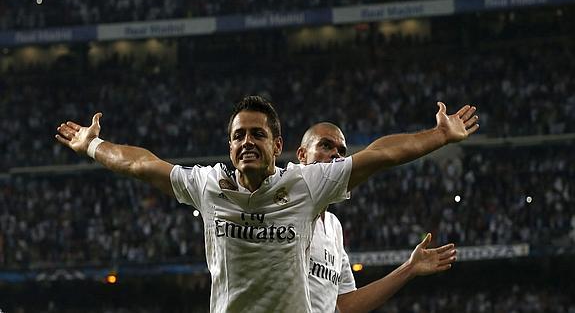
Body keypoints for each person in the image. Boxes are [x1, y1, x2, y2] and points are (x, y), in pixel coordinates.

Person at [55, 96, 478, 312]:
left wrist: (438, 136)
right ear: (229, 145)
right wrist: (93, 145)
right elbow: (141, 164)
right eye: (239, 135)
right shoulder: (209, 185)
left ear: (277, 146)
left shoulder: (305, 187)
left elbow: (379, 155)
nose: (246, 143)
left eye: (257, 135)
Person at [299, 122, 457, 313]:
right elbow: (381, 153)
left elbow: (345, 306)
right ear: (302, 155)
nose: (335, 155)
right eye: (325, 145)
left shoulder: (333, 227)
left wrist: (409, 268)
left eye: (341, 151)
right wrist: (440, 134)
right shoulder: (290, 199)